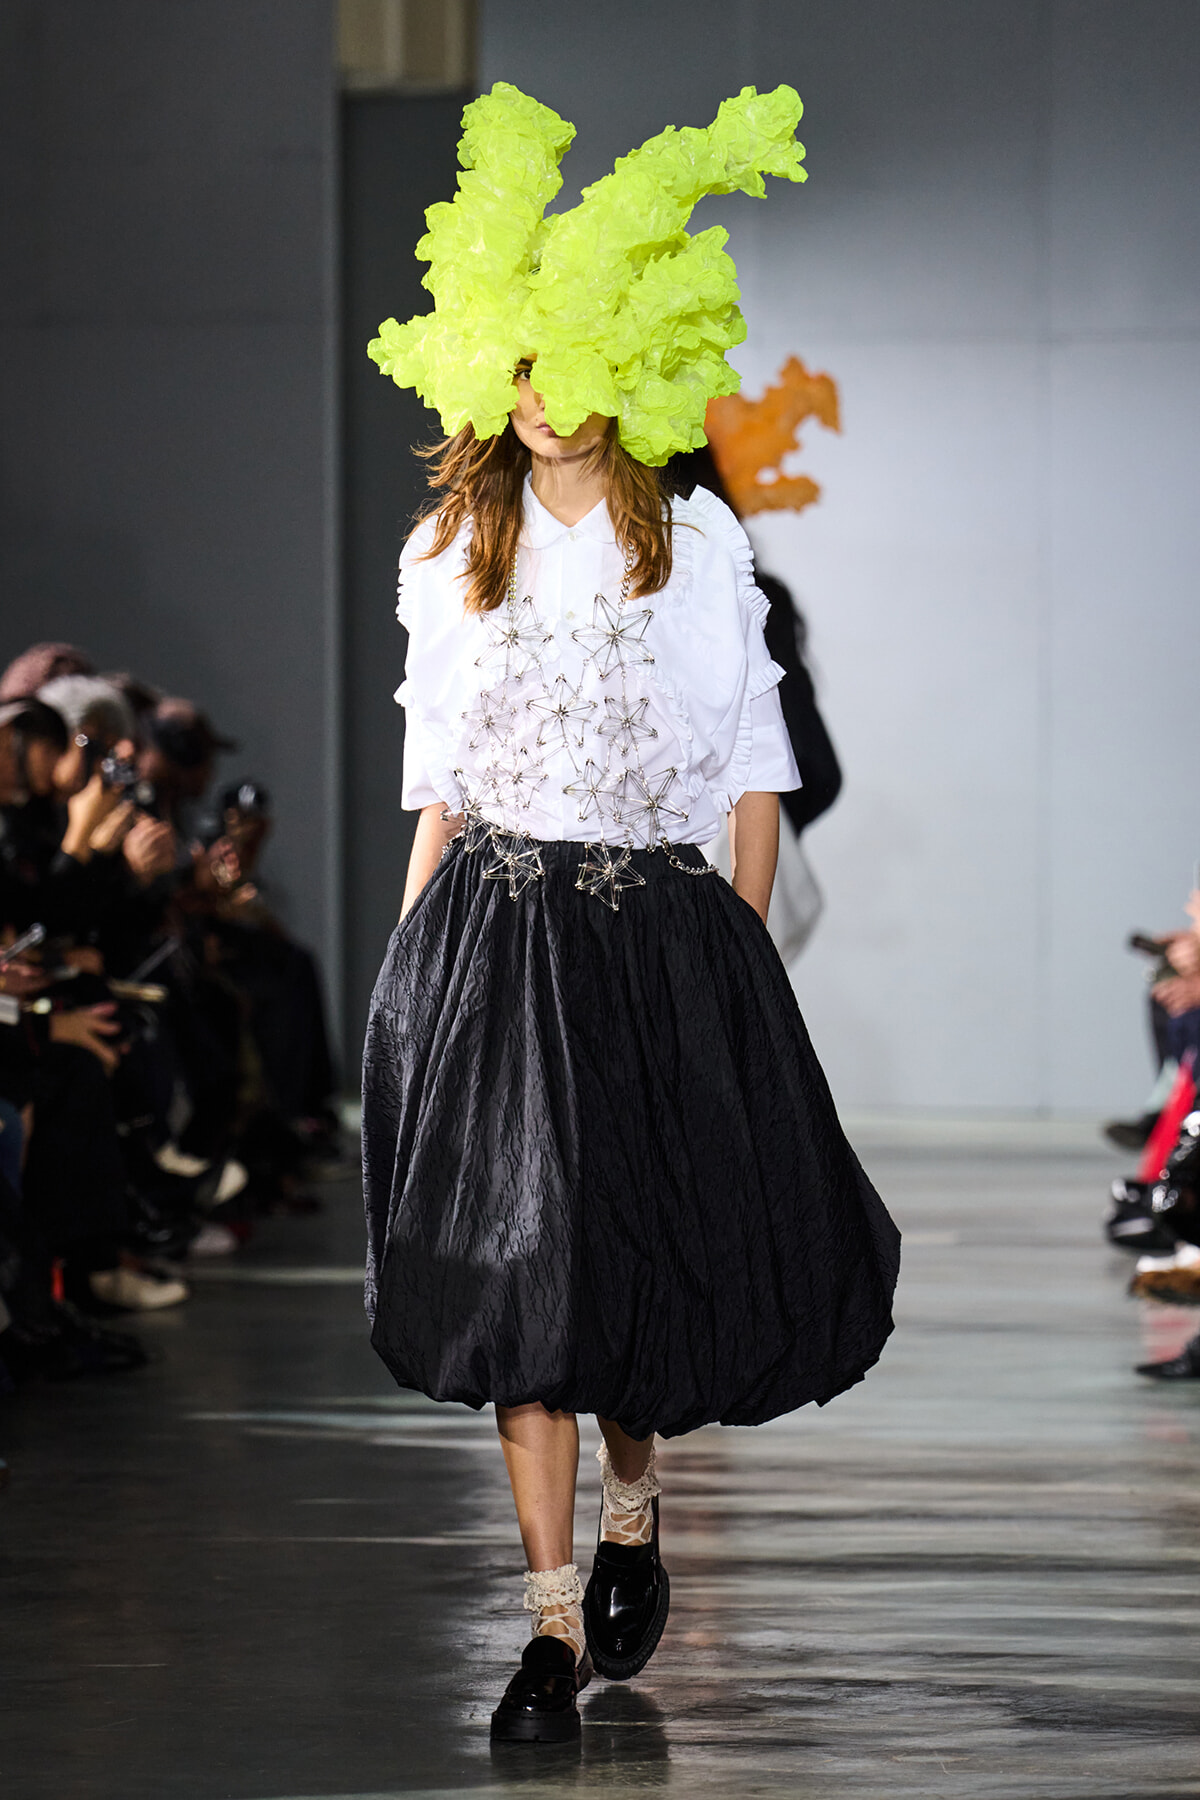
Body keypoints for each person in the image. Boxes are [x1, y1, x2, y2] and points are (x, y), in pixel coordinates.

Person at [361, 81, 901, 1744]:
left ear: (632, 363)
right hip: (495, 934)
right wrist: (407, 973)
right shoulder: (447, 551)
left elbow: (752, 769)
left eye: (572, 361)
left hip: (656, 938)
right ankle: (543, 1628)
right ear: (486, 368)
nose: (541, 399)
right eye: (516, 367)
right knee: (517, 1279)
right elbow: (438, 780)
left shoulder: (701, 545)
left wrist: (738, 960)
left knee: (626, 1266)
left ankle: (635, 1496)